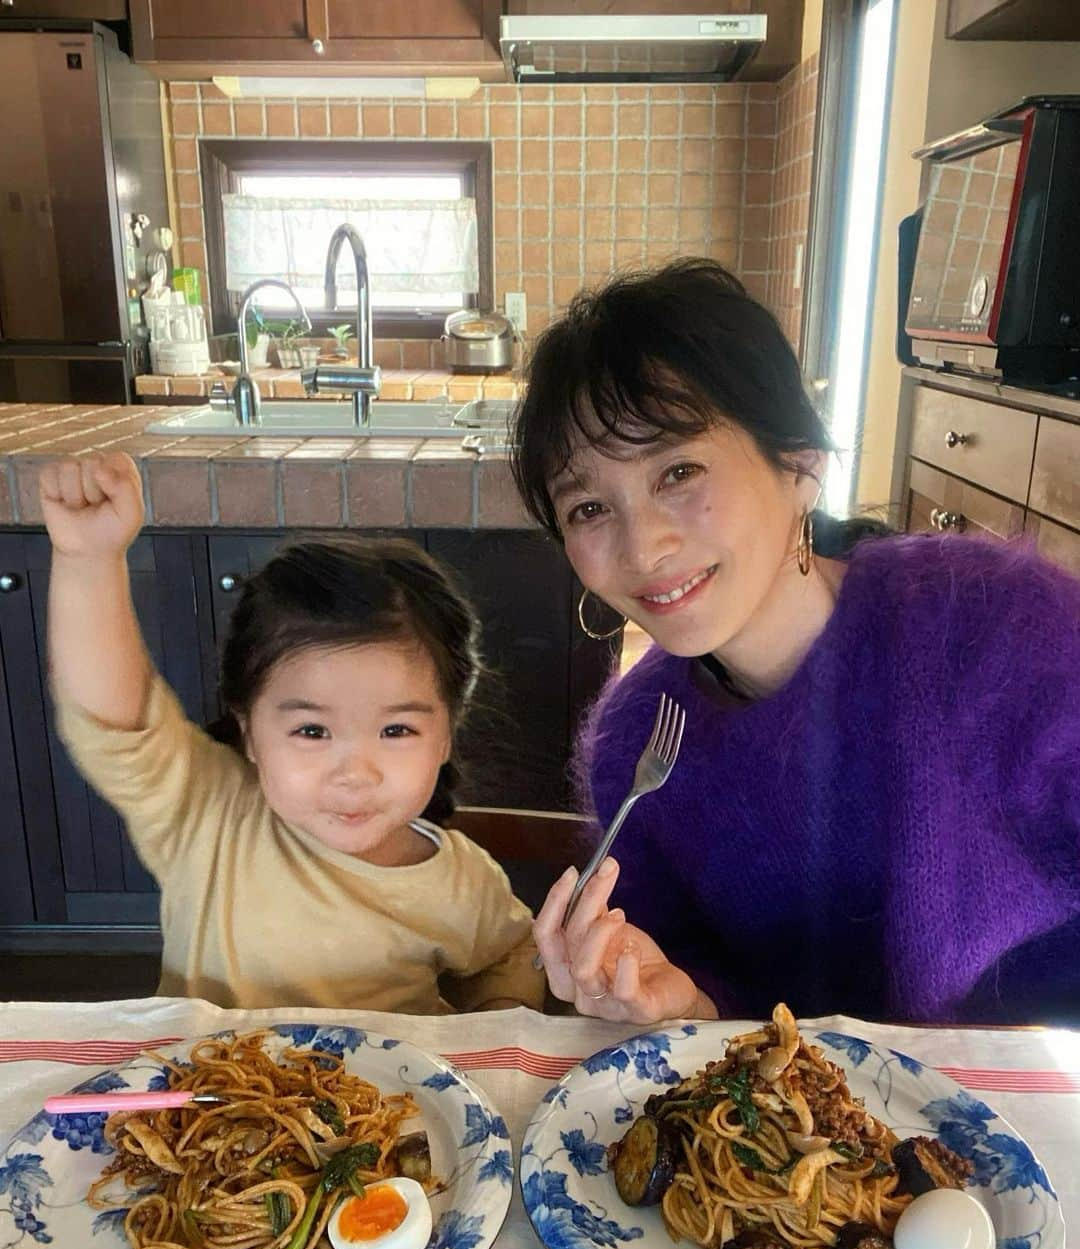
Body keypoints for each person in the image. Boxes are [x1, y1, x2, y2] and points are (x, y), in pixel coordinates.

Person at [514, 257, 1080, 1026]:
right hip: (816, 1125)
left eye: (678, 471)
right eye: (587, 509)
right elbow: (697, 993)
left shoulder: (994, 622)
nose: (643, 550)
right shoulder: (635, 746)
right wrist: (681, 1000)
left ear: (800, 464)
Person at [40, 451, 545, 1014]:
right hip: (217, 1095)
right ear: (250, 732)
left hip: (394, 1101)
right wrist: (89, 558)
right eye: (311, 730)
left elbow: (510, 956)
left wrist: (495, 1020)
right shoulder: (207, 814)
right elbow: (114, 719)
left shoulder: (465, 882)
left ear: (447, 734)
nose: (356, 773)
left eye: (397, 729)